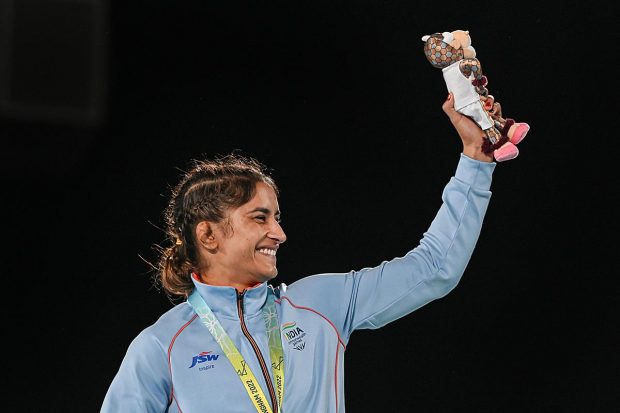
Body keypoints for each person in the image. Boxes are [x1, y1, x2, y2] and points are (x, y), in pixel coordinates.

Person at [101, 92, 502, 412]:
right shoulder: (162, 346)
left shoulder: (320, 305)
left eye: (277, 217)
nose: (280, 233)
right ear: (209, 235)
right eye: (260, 218)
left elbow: (435, 266)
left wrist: (476, 162)